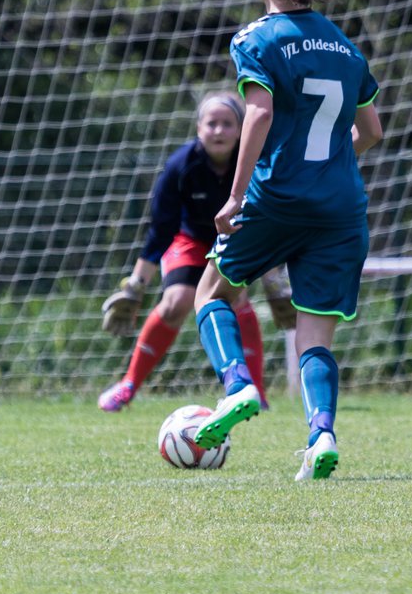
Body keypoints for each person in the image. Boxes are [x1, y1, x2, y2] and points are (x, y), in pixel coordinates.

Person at [190, 0, 383, 481]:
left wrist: (233, 196)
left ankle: (237, 385)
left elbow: (260, 114)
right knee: (313, 330)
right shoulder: (346, 46)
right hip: (341, 207)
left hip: (277, 198)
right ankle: (321, 435)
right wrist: (328, 165)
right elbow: (371, 128)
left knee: (212, 292)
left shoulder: (257, 39)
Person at [97, 92, 297, 412]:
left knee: (236, 298)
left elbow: (267, 220)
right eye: (211, 123)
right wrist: (136, 285)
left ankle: (254, 391)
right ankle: (129, 385)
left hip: (237, 240)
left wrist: (273, 279)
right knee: (176, 302)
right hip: (191, 242)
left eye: (227, 123)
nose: (218, 130)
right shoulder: (180, 166)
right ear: (198, 128)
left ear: (242, 128)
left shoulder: (256, 162)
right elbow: (161, 230)